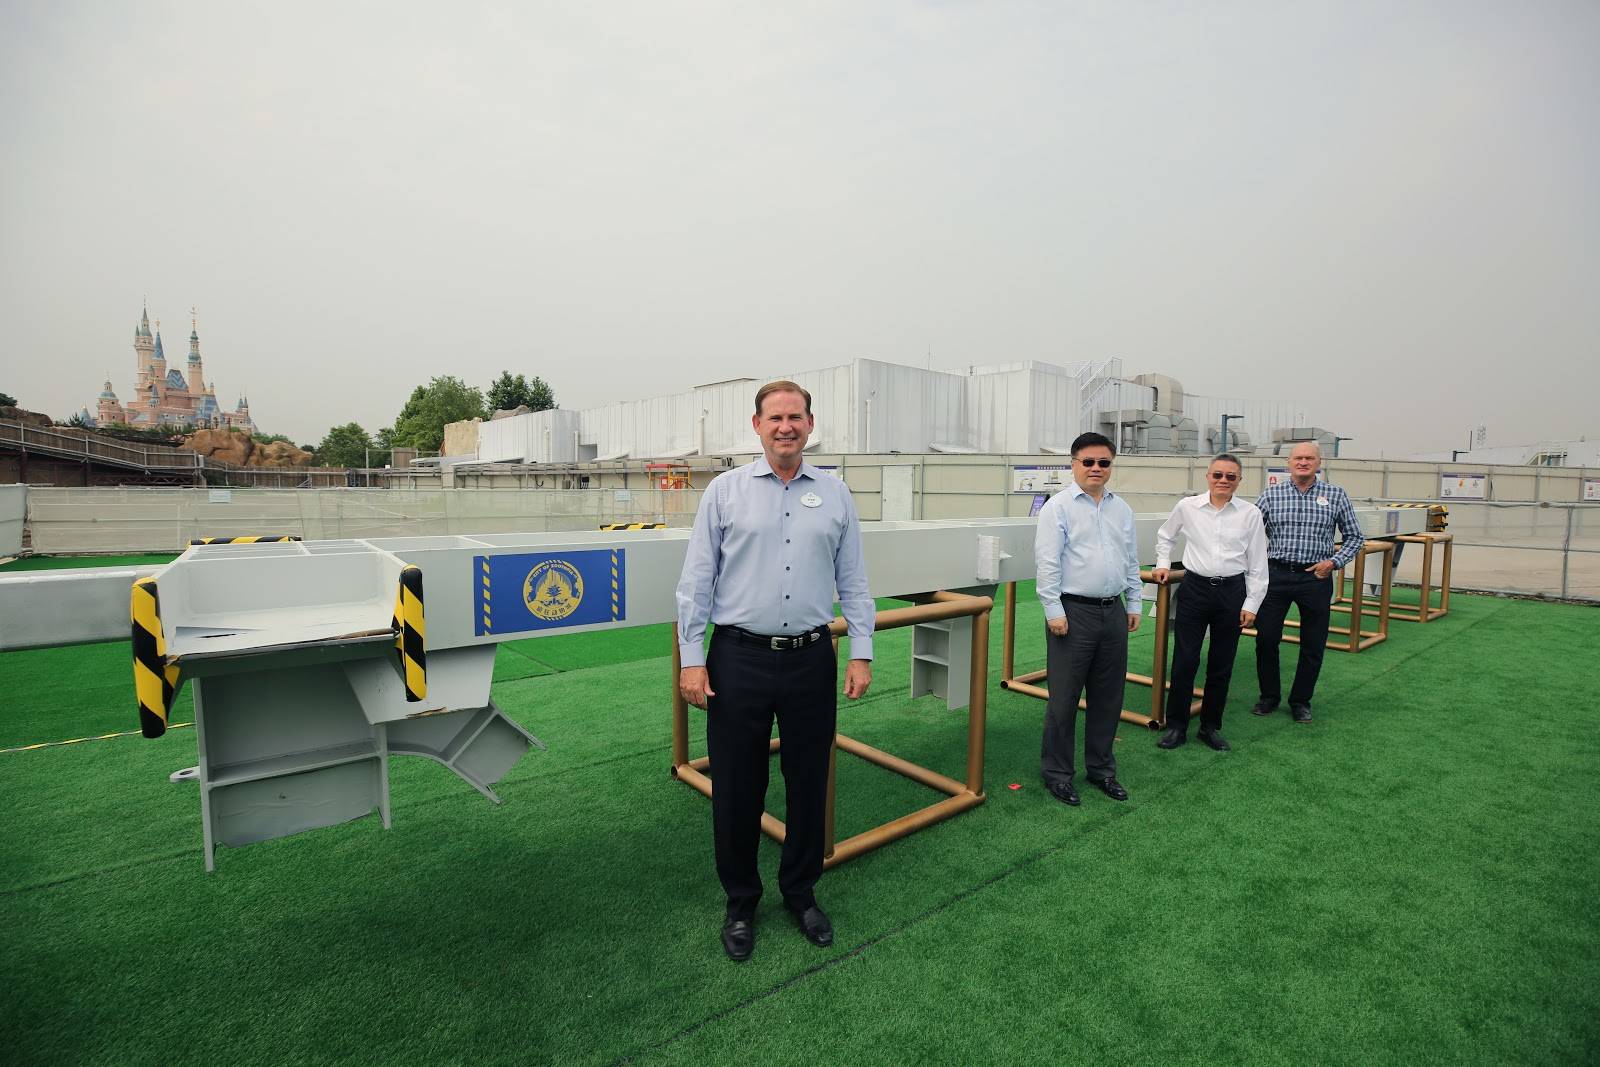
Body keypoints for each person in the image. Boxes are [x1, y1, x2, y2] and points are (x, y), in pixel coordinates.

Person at [676, 380, 874, 962]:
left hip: (812, 658)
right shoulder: (724, 492)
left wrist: (860, 650)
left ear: (811, 425)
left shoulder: (836, 495)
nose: (785, 426)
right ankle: (740, 903)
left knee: (809, 782)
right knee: (738, 787)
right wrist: (692, 660)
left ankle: (801, 892)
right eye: (775, 417)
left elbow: (855, 580)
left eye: (796, 417)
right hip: (738, 658)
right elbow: (696, 584)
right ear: (757, 425)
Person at [1034, 431, 1142, 806]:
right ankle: (1058, 774)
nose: (1096, 469)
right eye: (1088, 462)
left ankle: (1101, 770)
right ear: (1074, 464)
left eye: (1104, 462)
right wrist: (1054, 611)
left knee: (1109, 698)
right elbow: (1047, 563)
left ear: (1111, 466)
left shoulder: (1121, 509)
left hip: (1112, 612)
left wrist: (1134, 603)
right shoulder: (1058, 508)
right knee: (1064, 699)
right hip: (1072, 613)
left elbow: (1130, 559)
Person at [1151, 453, 1268, 751]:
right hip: (1195, 589)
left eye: (1231, 476)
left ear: (1239, 480)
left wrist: (1251, 604)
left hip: (1232, 592)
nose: (1223, 481)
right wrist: (1163, 563)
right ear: (1208, 477)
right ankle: (1176, 726)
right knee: (1185, 661)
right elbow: (1165, 536)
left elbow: (1257, 562)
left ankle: (1210, 727)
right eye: (1218, 475)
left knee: (1221, 664)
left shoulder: (1250, 513)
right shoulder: (1187, 507)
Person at [1251, 441, 1364, 723]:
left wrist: (1334, 563)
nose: (1303, 462)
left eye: (1309, 458)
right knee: (1266, 639)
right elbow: (1248, 533)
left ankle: (1301, 700)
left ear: (1319, 463)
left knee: (1312, 643)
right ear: (1288, 463)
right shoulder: (1271, 495)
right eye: (1298, 458)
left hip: (1315, 578)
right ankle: (1269, 697)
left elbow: (1355, 538)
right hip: (1275, 576)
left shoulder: (1336, 495)